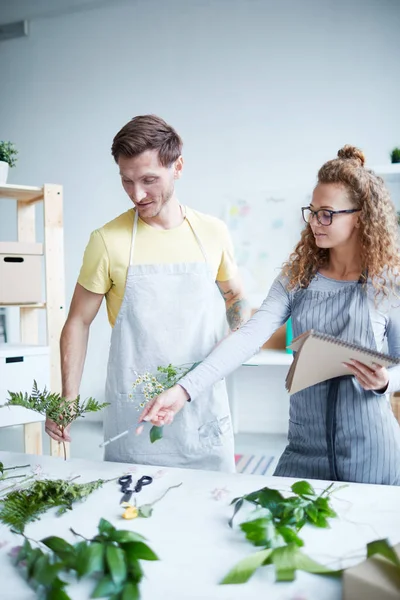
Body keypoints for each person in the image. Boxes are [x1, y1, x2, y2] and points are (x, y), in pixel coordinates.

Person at [140, 145, 400, 485]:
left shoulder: (388, 283)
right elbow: (248, 337)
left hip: (373, 451)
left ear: (361, 217)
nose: (314, 222)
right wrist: (182, 392)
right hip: (304, 448)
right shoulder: (297, 278)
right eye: (312, 211)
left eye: (327, 214)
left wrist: (385, 382)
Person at [45, 114, 250, 471]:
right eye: (127, 181)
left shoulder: (213, 233)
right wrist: (69, 398)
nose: (137, 194)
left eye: (149, 180)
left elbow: (236, 299)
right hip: (135, 419)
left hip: (201, 409)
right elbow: (78, 321)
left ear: (178, 167)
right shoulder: (107, 241)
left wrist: (230, 342)